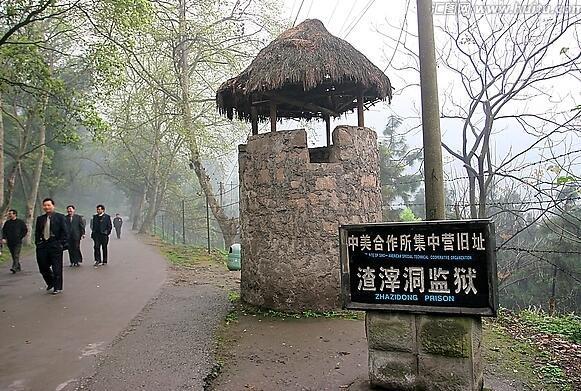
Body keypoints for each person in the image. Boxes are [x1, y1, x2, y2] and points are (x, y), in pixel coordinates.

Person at [35, 198, 69, 295]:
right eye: (45, 205)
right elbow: (37, 233)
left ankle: (57, 287)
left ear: (53, 206)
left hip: (55, 244)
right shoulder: (40, 219)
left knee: (56, 267)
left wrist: (61, 244)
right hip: (43, 245)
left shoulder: (60, 217)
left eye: (49, 205)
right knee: (43, 266)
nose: (47, 207)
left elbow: (65, 232)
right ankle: (50, 282)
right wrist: (38, 243)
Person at [2, 209, 28, 273]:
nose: (9, 215)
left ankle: (14, 267)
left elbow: (25, 230)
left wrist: (20, 237)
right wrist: (4, 238)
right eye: (9, 214)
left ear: (15, 214)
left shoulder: (20, 222)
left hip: (18, 242)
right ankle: (18, 266)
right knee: (13, 255)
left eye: (10, 214)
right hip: (10, 242)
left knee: (16, 255)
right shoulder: (7, 223)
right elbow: (4, 231)